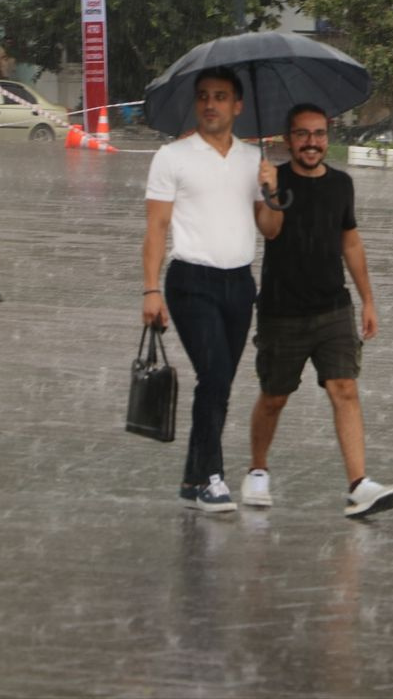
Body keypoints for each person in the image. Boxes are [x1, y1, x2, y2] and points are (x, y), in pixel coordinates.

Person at [243, 102, 393, 519]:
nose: (311, 143)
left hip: (334, 307)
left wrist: (368, 299)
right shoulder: (271, 179)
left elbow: (350, 241)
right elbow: (270, 231)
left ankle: (359, 484)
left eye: (318, 134)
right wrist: (270, 191)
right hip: (283, 310)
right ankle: (257, 470)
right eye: (302, 134)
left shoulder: (341, 184)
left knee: (344, 388)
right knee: (275, 397)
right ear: (287, 139)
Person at [142, 65, 277, 513]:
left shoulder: (252, 159)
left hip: (240, 283)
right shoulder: (172, 157)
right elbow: (156, 227)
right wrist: (150, 290)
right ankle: (211, 478)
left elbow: (270, 229)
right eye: (203, 96)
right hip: (190, 280)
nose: (210, 104)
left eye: (221, 96)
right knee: (214, 375)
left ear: (238, 106)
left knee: (218, 382)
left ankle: (191, 476)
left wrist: (271, 191)